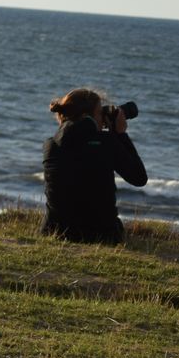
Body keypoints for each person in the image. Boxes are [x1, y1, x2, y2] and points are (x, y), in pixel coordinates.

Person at [41, 87, 147, 243]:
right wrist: (120, 135)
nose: (103, 118)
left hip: (55, 231)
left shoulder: (50, 145)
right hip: (102, 236)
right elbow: (139, 178)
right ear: (86, 117)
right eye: (100, 113)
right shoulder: (107, 142)